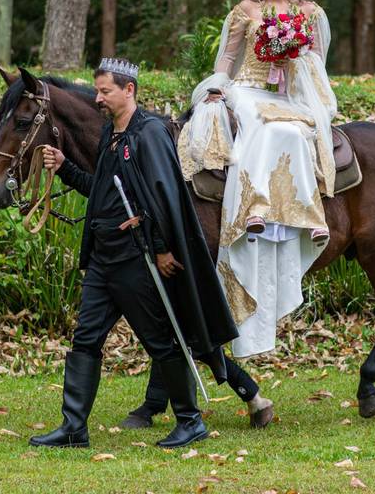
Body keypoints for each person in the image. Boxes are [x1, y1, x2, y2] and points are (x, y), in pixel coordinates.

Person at [30, 58, 238, 449]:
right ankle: (74, 427)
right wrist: (63, 167)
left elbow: (163, 198)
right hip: (103, 259)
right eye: (97, 91)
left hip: (135, 257)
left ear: (129, 90)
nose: (98, 99)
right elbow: (103, 191)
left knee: (160, 340)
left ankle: (190, 421)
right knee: (86, 339)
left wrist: (160, 250)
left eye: (105, 91)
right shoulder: (111, 133)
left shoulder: (151, 133)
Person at [179, 0, 337, 358]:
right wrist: (216, 90)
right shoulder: (245, 11)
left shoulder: (310, 14)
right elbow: (226, 62)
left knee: (293, 132)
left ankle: (310, 215)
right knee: (263, 127)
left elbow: (318, 66)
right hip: (247, 89)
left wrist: (294, 54)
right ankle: (255, 207)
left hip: (291, 95)